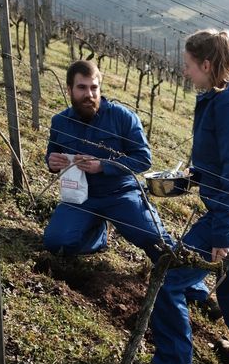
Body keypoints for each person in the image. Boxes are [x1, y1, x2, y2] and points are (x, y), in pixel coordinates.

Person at [134, 29, 229, 364]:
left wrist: (223, 231)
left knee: (168, 278)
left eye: (189, 66)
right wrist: (196, 176)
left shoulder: (228, 104)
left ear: (207, 64)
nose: (185, 72)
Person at [43, 60, 174, 263]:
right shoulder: (60, 122)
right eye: (82, 88)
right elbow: (53, 153)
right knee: (56, 242)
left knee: (154, 239)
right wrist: (52, 162)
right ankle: (97, 234)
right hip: (80, 197)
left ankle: (191, 286)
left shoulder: (122, 117)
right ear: (69, 89)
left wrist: (103, 165)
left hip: (121, 194)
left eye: (94, 88)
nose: (89, 94)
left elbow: (143, 159)